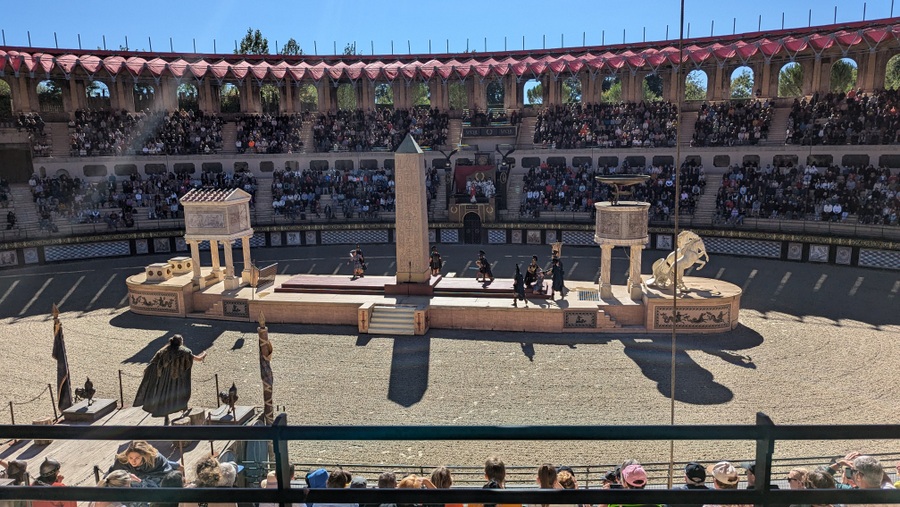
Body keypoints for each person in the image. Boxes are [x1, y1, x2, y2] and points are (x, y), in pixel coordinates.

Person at [133, 334, 207, 425]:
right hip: (178, 379)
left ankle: (166, 416)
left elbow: (153, 363)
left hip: (164, 380)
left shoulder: (163, 351)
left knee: (165, 396)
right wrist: (204, 354)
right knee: (181, 394)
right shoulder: (185, 352)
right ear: (180, 342)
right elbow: (198, 359)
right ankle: (183, 412)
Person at [108, 440, 174, 487]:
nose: (133, 461)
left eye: (137, 458)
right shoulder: (122, 462)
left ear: (143, 456)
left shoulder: (155, 459)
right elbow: (114, 476)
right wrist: (127, 476)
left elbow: (165, 472)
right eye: (130, 458)